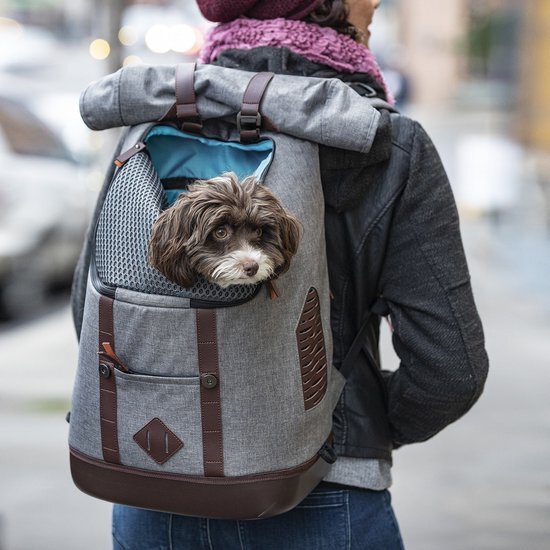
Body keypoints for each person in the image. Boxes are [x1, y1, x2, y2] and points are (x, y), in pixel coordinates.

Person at [110, 1, 489, 548]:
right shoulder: (389, 144)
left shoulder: (152, 123)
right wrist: (362, 426)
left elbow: (97, 308)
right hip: (324, 489)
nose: (376, 2)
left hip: (156, 483)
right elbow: (450, 369)